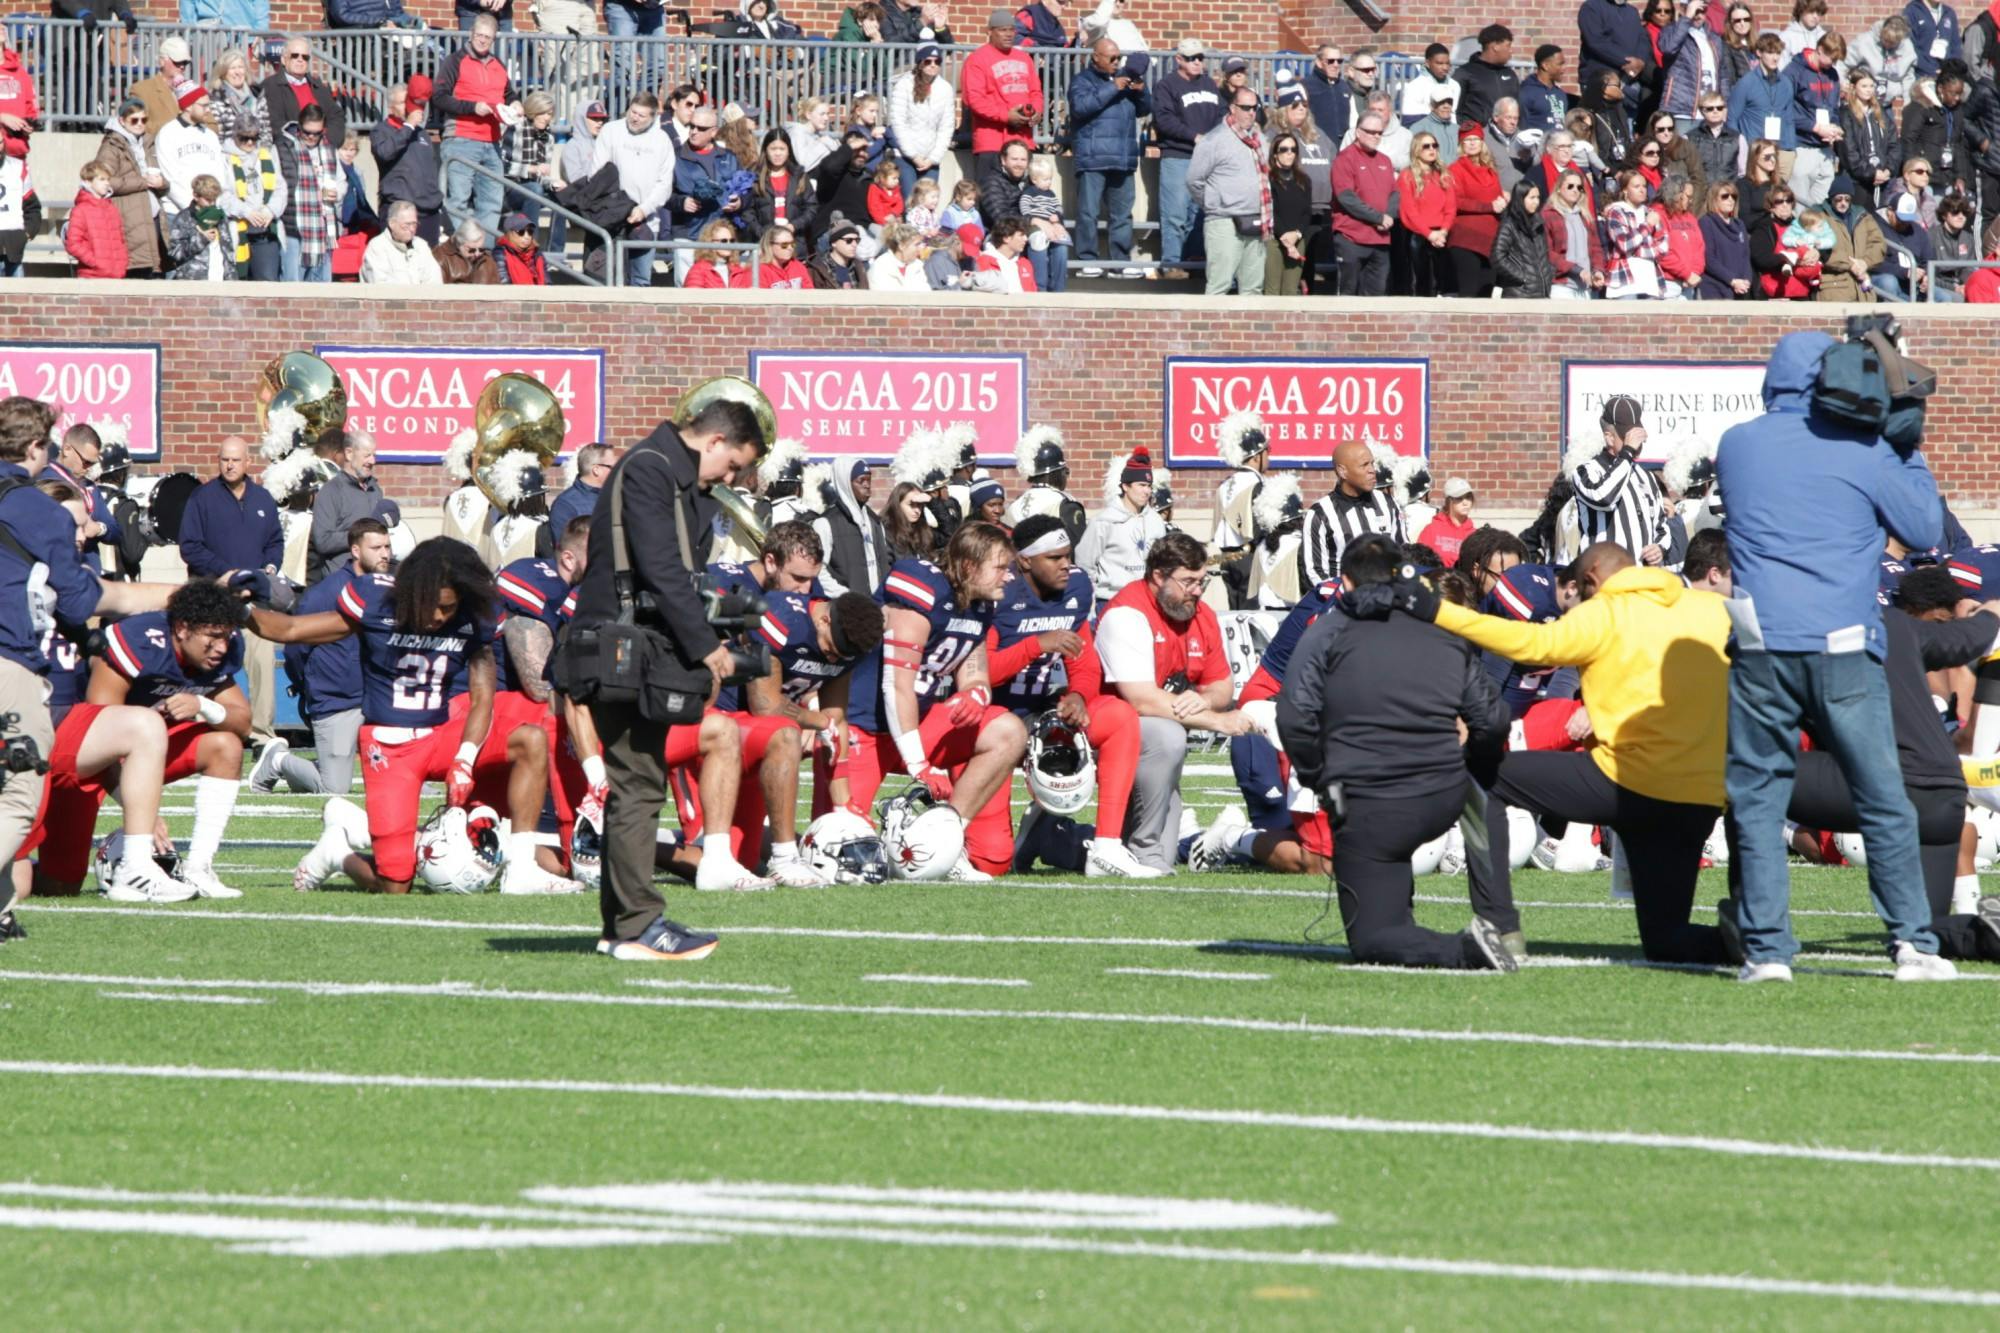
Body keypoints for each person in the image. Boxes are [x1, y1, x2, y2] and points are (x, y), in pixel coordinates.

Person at [1715, 329, 1953, 981]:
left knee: (1760, 798)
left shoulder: (1737, 445)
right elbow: (1927, 530)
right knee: (1882, 795)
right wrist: (1905, 441)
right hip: (1844, 646)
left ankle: (1767, 952)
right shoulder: (1867, 448)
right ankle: (1913, 942)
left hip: (1762, 645)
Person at [1406, 540, 1735, 965]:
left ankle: (1499, 927)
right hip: (1699, 799)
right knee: (1666, 941)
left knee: (1481, 773)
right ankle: (1742, 936)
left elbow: (1530, 644)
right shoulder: (1710, 610)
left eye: (1578, 593)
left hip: (1627, 782)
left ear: (1591, 579)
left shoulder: (1606, 611)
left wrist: (1438, 611)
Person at [1274, 535, 1514, 971]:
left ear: (1345, 583)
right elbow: (1492, 719)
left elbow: (1293, 716)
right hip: (1444, 794)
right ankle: (1501, 921)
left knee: (1373, 939)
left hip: (1372, 803)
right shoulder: (1440, 626)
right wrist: (1466, 765)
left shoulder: (1329, 629)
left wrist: (1319, 778)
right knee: (1482, 790)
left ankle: (1469, 949)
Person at [837, 522, 1030, 882]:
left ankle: (944, 844)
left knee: (1008, 731)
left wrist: (977, 693)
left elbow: (975, 673)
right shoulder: (921, 590)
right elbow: (897, 686)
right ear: (970, 567)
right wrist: (919, 765)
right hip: (866, 729)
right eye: (1001, 567)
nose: (1009, 577)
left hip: (918, 723)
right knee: (845, 855)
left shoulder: (980, 604)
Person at [996, 515, 1156, 878]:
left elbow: (1083, 658)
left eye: (1067, 555)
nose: (1066, 564)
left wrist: (1080, 695)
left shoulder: (1076, 590)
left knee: (1118, 716)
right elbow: (977, 672)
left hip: (1041, 710)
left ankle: (1107, 847)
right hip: (994, 720)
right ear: (1024, 561)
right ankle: (1017, 836)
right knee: (992, 860)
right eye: (1054, 558)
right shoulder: (1000, 592)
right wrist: (1036, 645)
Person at [253, 518, 391, 796]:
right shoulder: (326, 593)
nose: (385, 554)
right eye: (376, 547)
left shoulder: (390, 588)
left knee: (398, 776)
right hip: (337, 701)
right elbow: (295, 648)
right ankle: (277, 760)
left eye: (387, 546)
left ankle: (318, 768)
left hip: (378, 701)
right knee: (335, 788)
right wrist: (312, 686)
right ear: (355, 550)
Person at [176, 436, 283, 744]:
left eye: (236, 460)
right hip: (212, 599)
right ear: (218, 461)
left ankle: (261, 734)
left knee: (262, 660)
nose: (230, 465)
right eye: (225, 459)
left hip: (252, 600)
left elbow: (275, 541)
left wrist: (269, 569)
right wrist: (225, 573)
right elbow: (190, 547)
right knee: (205, 661)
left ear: (248, 462)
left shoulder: (263, 498)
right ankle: (201, 728)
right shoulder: (202, 498)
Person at [1068, 38, 1150, 277]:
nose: (1117, 62)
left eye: (1119, 57)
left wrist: (1142, 91)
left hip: (1122, 158)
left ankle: (1120, 262)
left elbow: (1145, 109)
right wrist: (1113, 87)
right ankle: (1086, 260)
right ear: (1096, 57)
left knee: (1122, 215)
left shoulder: (1127, 78)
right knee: (1088, 212)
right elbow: (1080, 107)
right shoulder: (1082, 80)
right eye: (1112, 58)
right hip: (1093, 157)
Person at [434, 16, 511, 237]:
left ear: (494, 39)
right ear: (471, 34)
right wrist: (472, 107)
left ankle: (483, 255)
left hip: (492, 141)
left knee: (492, 201)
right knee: (458, 200)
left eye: (487, 37)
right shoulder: (454, 61)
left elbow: (509, 93)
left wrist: (515, 103)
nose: (482, 41)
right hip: (461, 138)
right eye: (479, 35)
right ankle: (464, 250)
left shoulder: (499, 65)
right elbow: (439, 97)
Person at [1152, 38, 1223, 279]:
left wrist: (1213, 139)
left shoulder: (1210, 84)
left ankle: (1192, 263)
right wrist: (1194, 136)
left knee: (1199, 213)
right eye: (1192, 58)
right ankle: (1172, 264)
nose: (1197, 62)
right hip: (1178, 155)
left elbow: (1222, 114)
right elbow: (1163, 119)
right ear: (1179, 59)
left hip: (1206, 158)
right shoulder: (1166, 85)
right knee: (1175, 213)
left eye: (1200, 58)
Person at [1188, 88, 1269, 296]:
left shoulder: (1261, 140)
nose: (1251, 112)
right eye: (1245, 108)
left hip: (1256, 220)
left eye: (1254, 107)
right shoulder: (1213, 140)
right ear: (1233, 108)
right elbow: (1194, 181)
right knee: (1219, 286)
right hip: (1223, 222)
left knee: (1253, 290)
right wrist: (1215, 205)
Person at [591, 94, 675, 287]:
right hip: (611, 218)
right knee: (607, 280)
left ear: (653, 117)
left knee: (640, 281)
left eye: (642, 115)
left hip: (645, 221)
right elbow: (597, 174)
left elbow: (664, 185)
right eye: (633, 112)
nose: (635, 118)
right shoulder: (611, 131)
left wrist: (644, 209)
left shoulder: (661, 140)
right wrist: (617, 206)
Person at [1300, 439, 1404, 586]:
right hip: (1342, 602)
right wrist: (1345, 596)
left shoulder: (1388, 504)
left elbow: (1403, 552)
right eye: (1364, 465)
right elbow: (1314, 572)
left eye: (1372, 463)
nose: (1372, 470)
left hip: (1385, 599)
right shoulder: (1320, 514)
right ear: (1342, 471)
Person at [962, 8, 1044, 182]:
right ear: (990, 32)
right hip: (991, 142)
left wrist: (1036, 111)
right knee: (991, 198)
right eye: (1002, 30)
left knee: (1022, 199)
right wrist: (1006, 116)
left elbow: (1036, 92)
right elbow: (974, 100)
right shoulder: (977, 59)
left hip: (1022, 141)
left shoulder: (1024, 58)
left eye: (1011, 30)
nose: (1008, 34)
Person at [1074, 445, 1164, 603]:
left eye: (1149, 486)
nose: (1147, 491)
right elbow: (1084, 563)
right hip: (1111, 599)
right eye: (1141, 485)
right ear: (1125, 486)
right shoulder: (1103, 522)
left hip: (1147, 601)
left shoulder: (1156, 521)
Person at [308, 432, 400, 586]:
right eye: (367, 455)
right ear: (349, 454)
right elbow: (323, 541)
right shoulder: (331, 491)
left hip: (374, 579)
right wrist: (362, 534)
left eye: (374, 455)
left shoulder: (374, 489)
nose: (373, 461)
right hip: (343, 581)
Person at [95, 98, 166, 278]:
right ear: (122, 121)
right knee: (138, 272)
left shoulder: (149, 143)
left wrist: (162, 183)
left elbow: (161, 178)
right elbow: (104, 182)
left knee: (156, 271)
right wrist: (143, 181)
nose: (139, 124)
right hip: (129, 217)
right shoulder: (111, 145)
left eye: (143, 120)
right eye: (134, 120)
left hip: (154, 215)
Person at [276, 105, 343, 283]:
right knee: (293, 284)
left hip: (323, 227)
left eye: (317, 133)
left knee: (323, 285)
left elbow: (341, 180)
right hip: (294, 226)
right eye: (307, 132)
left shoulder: (329, 149)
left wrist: (337, 193)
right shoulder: (284, 147)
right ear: (299, 127)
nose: (312, 137)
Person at [1729, 34, 1800, 182]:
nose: (1775, 58)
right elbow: (1732, 119)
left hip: (1781, 150)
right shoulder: (1746, 83)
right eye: (1770, 52)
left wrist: (1790, 149)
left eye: (1778, 53)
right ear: (1759, 53)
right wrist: (1741, 150)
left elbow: (1789, 119)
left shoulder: (1785, 83)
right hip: (1755, 149)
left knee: (1779, 198)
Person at [889, 45, 955, 200]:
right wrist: (913, 155)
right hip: (906, 156)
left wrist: (933, 157)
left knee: (929, 202)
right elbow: (898, 123)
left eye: (937, 61)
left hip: (931, 157)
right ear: (920, 63)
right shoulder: (904, 85)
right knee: (910, 202)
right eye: (928, 61)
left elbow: (947, 127)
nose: (933, 65)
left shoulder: (945, 88)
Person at [1447, 125, 1504, 298]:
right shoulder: (1455, 170)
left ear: (1482, 142)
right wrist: (1488, 206)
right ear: (1461, 144)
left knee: (1486, 293)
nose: (1472, 144)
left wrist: (1502, 201)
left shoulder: (1491, 171)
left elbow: (1497, 196)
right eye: (1467, 140)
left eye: (1475, 139)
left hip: (1490, 242)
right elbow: (1456, 202)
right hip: (1467, 240)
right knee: (1469, 294)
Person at [260, 38, 346, 150]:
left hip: (322, 147)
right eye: (295, 56)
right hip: (289, 150)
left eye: (305, 57)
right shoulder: (270, 86)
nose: (300, 60)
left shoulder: (318, 86)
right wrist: (302, 142)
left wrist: (328, 141)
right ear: (284, 60)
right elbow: (274, 124)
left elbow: (336, 116)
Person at [1853, 189, 1940, 298]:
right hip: (1882, 278)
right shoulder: (1873, 225)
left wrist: (1927, 275)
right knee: (1889, 282)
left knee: (1945, 298)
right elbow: (1872, 261)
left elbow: (1929, 258)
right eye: (1901, 219)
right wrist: (1904, 272)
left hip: (1913, 284)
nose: (1905, 223)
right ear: (1890, 211)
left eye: (1908, 219)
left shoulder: (1917, 230)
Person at [1602, 168, 1671, 297]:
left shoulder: (1649, 213)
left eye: (1644, 186)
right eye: (1636, 186)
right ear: (1625, 190)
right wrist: (1647, 226)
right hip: (1626, 284)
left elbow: (1663, 246)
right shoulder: (1617, 212)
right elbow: (1624, 244)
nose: (1642, 190)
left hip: (1651, 282)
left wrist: (1635, 251)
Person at [361, 199, 446, 284]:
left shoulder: (421, 246)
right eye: (406, 225)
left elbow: (434, 281)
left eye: (414, 224)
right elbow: (379, 286)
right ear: (392, 223)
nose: (412, 229)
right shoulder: (377, 247)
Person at [67, 161, 127, 279]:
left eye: (107, 179)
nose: (106, 183)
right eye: (102, 179)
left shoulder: (112, 209)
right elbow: (73, 244)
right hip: (92, 277)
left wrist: (122, 264)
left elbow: (121, 241)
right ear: (88, 182)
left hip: (117, 276)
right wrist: (96, 262)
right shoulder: (81, 210)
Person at [1698, 179, 1756, 296]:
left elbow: (1745, 257)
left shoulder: (1739, 224)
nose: (1730, 200)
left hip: (1740, 289)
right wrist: (1732, 280)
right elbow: (1709, 259)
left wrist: (1746, 281)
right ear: (1714, 199)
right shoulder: (1706, 222)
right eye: (1725, 196)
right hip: (1715, 288)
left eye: (1733, 196)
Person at [133, 35, 195, 137]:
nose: (182, 66)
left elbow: (212, 124)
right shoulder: (141, 90)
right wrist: (178, 127)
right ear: (162, 61)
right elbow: (136, 124)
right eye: (177, 62)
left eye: (185, 62)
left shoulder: (193, 90)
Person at [1400, 43, 1462, 124]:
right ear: (1427, 63)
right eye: (1439, 63)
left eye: (1447, 63)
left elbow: (1453, 115)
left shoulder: (1454, 85)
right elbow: (1409, 118)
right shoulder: (1415, 86)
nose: (1445, 68)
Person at [1418, 480, 1477, 564]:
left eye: (1468, 497)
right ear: (1449, 501)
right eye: (1459, 498)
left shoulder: (1474, 535)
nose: (1465, 503)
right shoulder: (1431, 530)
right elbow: (1420, 561)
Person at [1906, 0, 1963, 78]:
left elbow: (1956, 46)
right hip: (1921, 75)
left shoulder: (1949, 13)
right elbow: (1910, 47)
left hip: (1946, 76)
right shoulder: (1912, 11)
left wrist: (1950, 69)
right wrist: (1930, 69)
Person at [866, 222, 929, 290]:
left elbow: (926, 293)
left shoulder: (917, 265)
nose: (920, 248)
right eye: (917, 244)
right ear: (902, 246)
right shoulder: (880, 267)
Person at [434, 218, 499, 283]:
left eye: (481, 249)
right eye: (472, 250)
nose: (477, 254)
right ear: (459, 243)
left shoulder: (488, 260)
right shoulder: (441, 258)